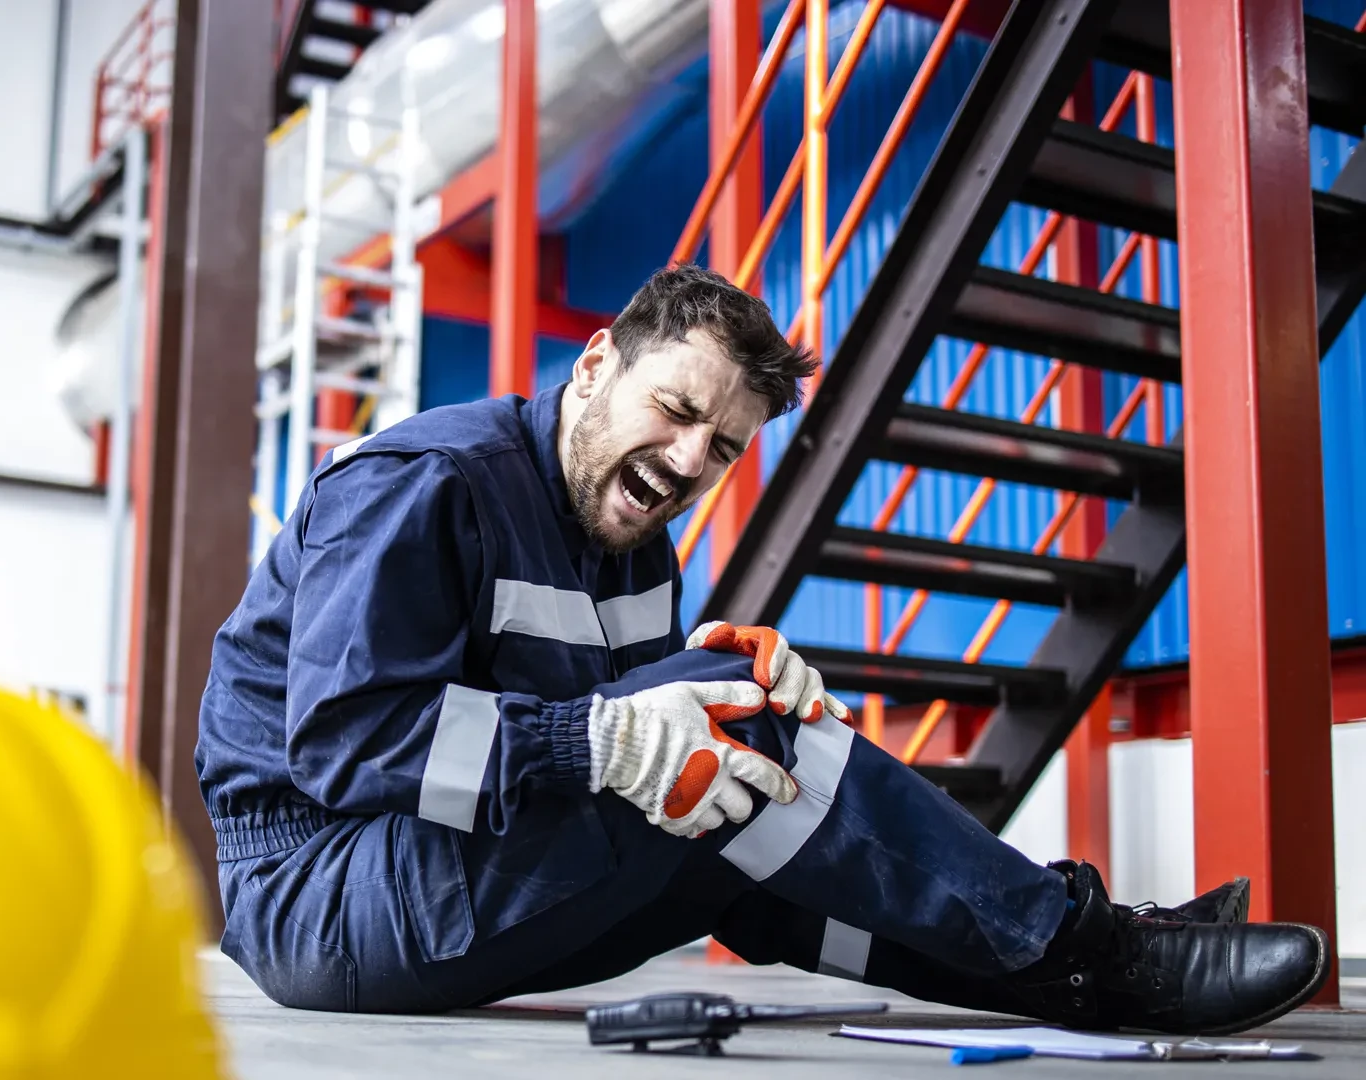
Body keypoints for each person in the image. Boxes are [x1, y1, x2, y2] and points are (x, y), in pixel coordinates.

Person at [195, 264, 1330, 1033]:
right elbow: (352, 745)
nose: (691, 461)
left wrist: (682, 703)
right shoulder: (429, 486)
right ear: (594, 366)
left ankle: (1070, 976)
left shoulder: (630, 540)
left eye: (724, 447)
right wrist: (632, 730)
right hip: (321, 884)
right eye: (676, 411)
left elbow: (620, 752)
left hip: (427, 873)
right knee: (743, 734)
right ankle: (1086, 950)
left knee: (737, 804)